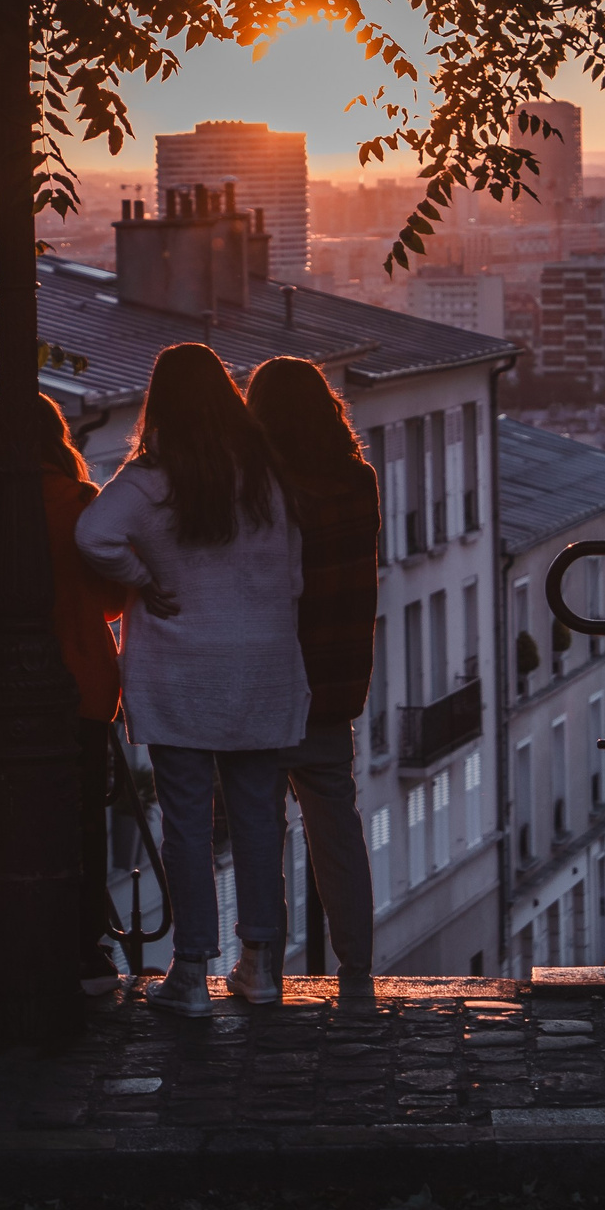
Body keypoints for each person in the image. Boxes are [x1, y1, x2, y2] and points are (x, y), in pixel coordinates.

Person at [74, 342, 305, 1015]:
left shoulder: (152, 478)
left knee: (186, 821)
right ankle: (260, 962)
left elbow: (94, 536)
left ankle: (192, 969)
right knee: (260, 816)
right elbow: (292, 574)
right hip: (262, 666)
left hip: (182, 670)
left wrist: (150, 579)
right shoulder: (266, 474)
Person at [246, 357, 382, 1007]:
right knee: (338, 829)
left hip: (268, 682)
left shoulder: (262, 493)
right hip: (332, 685)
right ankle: (356, 973)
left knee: (258, 827)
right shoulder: (360, 483)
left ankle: (264, 967)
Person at [0, 392, 128, 996]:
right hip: (83, 685)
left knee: (8, 817)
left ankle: (15, 941)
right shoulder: (81, 504)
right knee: (83, 821)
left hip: (2, 687)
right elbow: (114, 600)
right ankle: (82, 947)